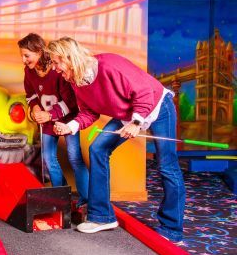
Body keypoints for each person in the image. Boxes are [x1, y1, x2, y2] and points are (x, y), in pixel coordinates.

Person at [47, 37, 185, 241]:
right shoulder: (76, 82)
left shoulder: (109, 65)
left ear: (68, 57)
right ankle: (102, 216)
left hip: (158, 106)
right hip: (127, 113)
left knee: (167, 166)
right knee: (98, 149)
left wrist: (136, 122)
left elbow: (144, 92)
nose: (54, 68)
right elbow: (89, 112)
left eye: (56, 62)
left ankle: (172, 229)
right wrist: (70, 126)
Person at [18, 33, 89, 209]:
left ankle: (87, 199)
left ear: (39, 51)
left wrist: (50, 114)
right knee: (48, 158)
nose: (23, 60)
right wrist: (35, 107)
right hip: (47, 121)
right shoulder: (29, 71)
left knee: (74, 157)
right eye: (22, 56)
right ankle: (61, 197)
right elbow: (30, 94)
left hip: (68, 120)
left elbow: (71, 102)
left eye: (26, 55)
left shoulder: (58, 70)